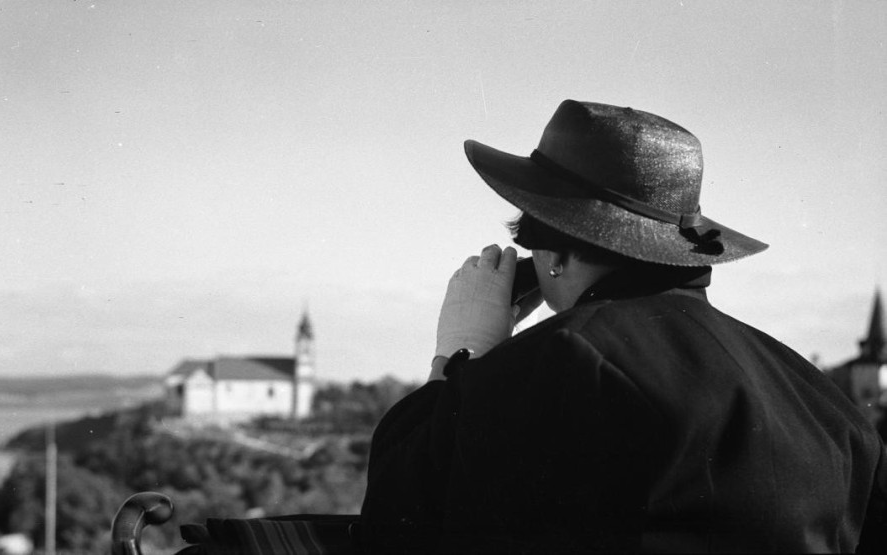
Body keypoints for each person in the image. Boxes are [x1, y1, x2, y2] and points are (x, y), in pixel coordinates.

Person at [358, 100, 887, 553]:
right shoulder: (826, 407)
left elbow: (399, 526)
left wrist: (462, 354)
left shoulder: (564, 361)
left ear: (552, 254)